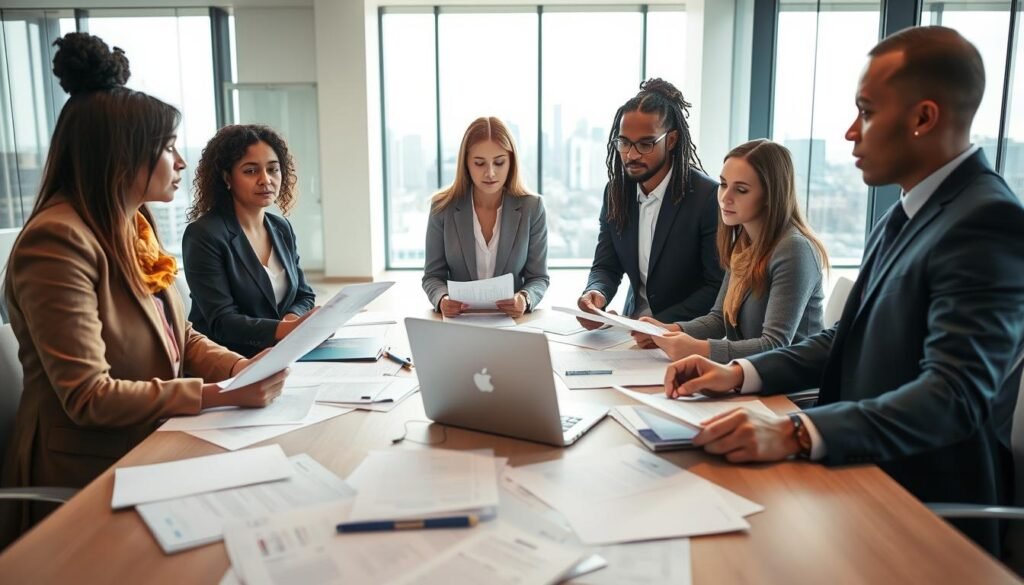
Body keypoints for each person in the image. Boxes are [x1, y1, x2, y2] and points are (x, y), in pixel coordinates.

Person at [662, 26, 1024, 554]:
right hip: (857, 469)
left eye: (867, 111)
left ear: (924, 118)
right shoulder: (908, 211)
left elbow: (953, 397)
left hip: (916, 503)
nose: (851, 132)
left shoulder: (987, 221)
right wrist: (738, 373)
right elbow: (842, 338)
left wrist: (795, 432)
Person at [0, 34, 287, 546]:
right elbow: (89, 396)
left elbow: (180, 332)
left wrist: (237, 367)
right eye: (168, 147)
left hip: (151, 447)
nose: (180, 162)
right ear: (120, 154)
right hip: (91, 473)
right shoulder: (58, 240)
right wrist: (218, 395)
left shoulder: (132, 227)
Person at [632, 139, 827, 362]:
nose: (725, 198)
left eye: (741, 190)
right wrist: (668, 330)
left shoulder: (794, 249)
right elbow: (718, 320)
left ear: (771, 196)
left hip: (792, 388)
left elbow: (775, 345)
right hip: (750, 376)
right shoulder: (745, 242)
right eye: (723, 184)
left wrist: (698, 349)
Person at [576, 78, 723, 328]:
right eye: (624, 142)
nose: (631, 155)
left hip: (685, 334)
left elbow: (716, 287)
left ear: (672, 140)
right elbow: (606, 265)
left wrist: (656, 323)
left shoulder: (706, 196)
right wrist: (597, 294)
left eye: (646, 144)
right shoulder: (615, 193)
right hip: (632, 330)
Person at [182, 125, 317, 357]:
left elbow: (304, 295)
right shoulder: (204, 234)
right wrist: (284, 330)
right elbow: (222, 321)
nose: (265, 180)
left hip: (281, 354)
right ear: (227, 178)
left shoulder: (281, 227)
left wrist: (292, 319)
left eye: (273, 169)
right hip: (229, 362)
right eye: (251, 171)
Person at [422, 116, 549, 318]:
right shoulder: (442, 207)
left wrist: (524, 299)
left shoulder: (532, 207)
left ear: (511, 162)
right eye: (479, 163)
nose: (490, 173)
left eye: (499, 162)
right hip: (460, 323)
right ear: (466, 164)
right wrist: (442, 298)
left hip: (511, 323)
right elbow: (432, 277)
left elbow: (539, 277)